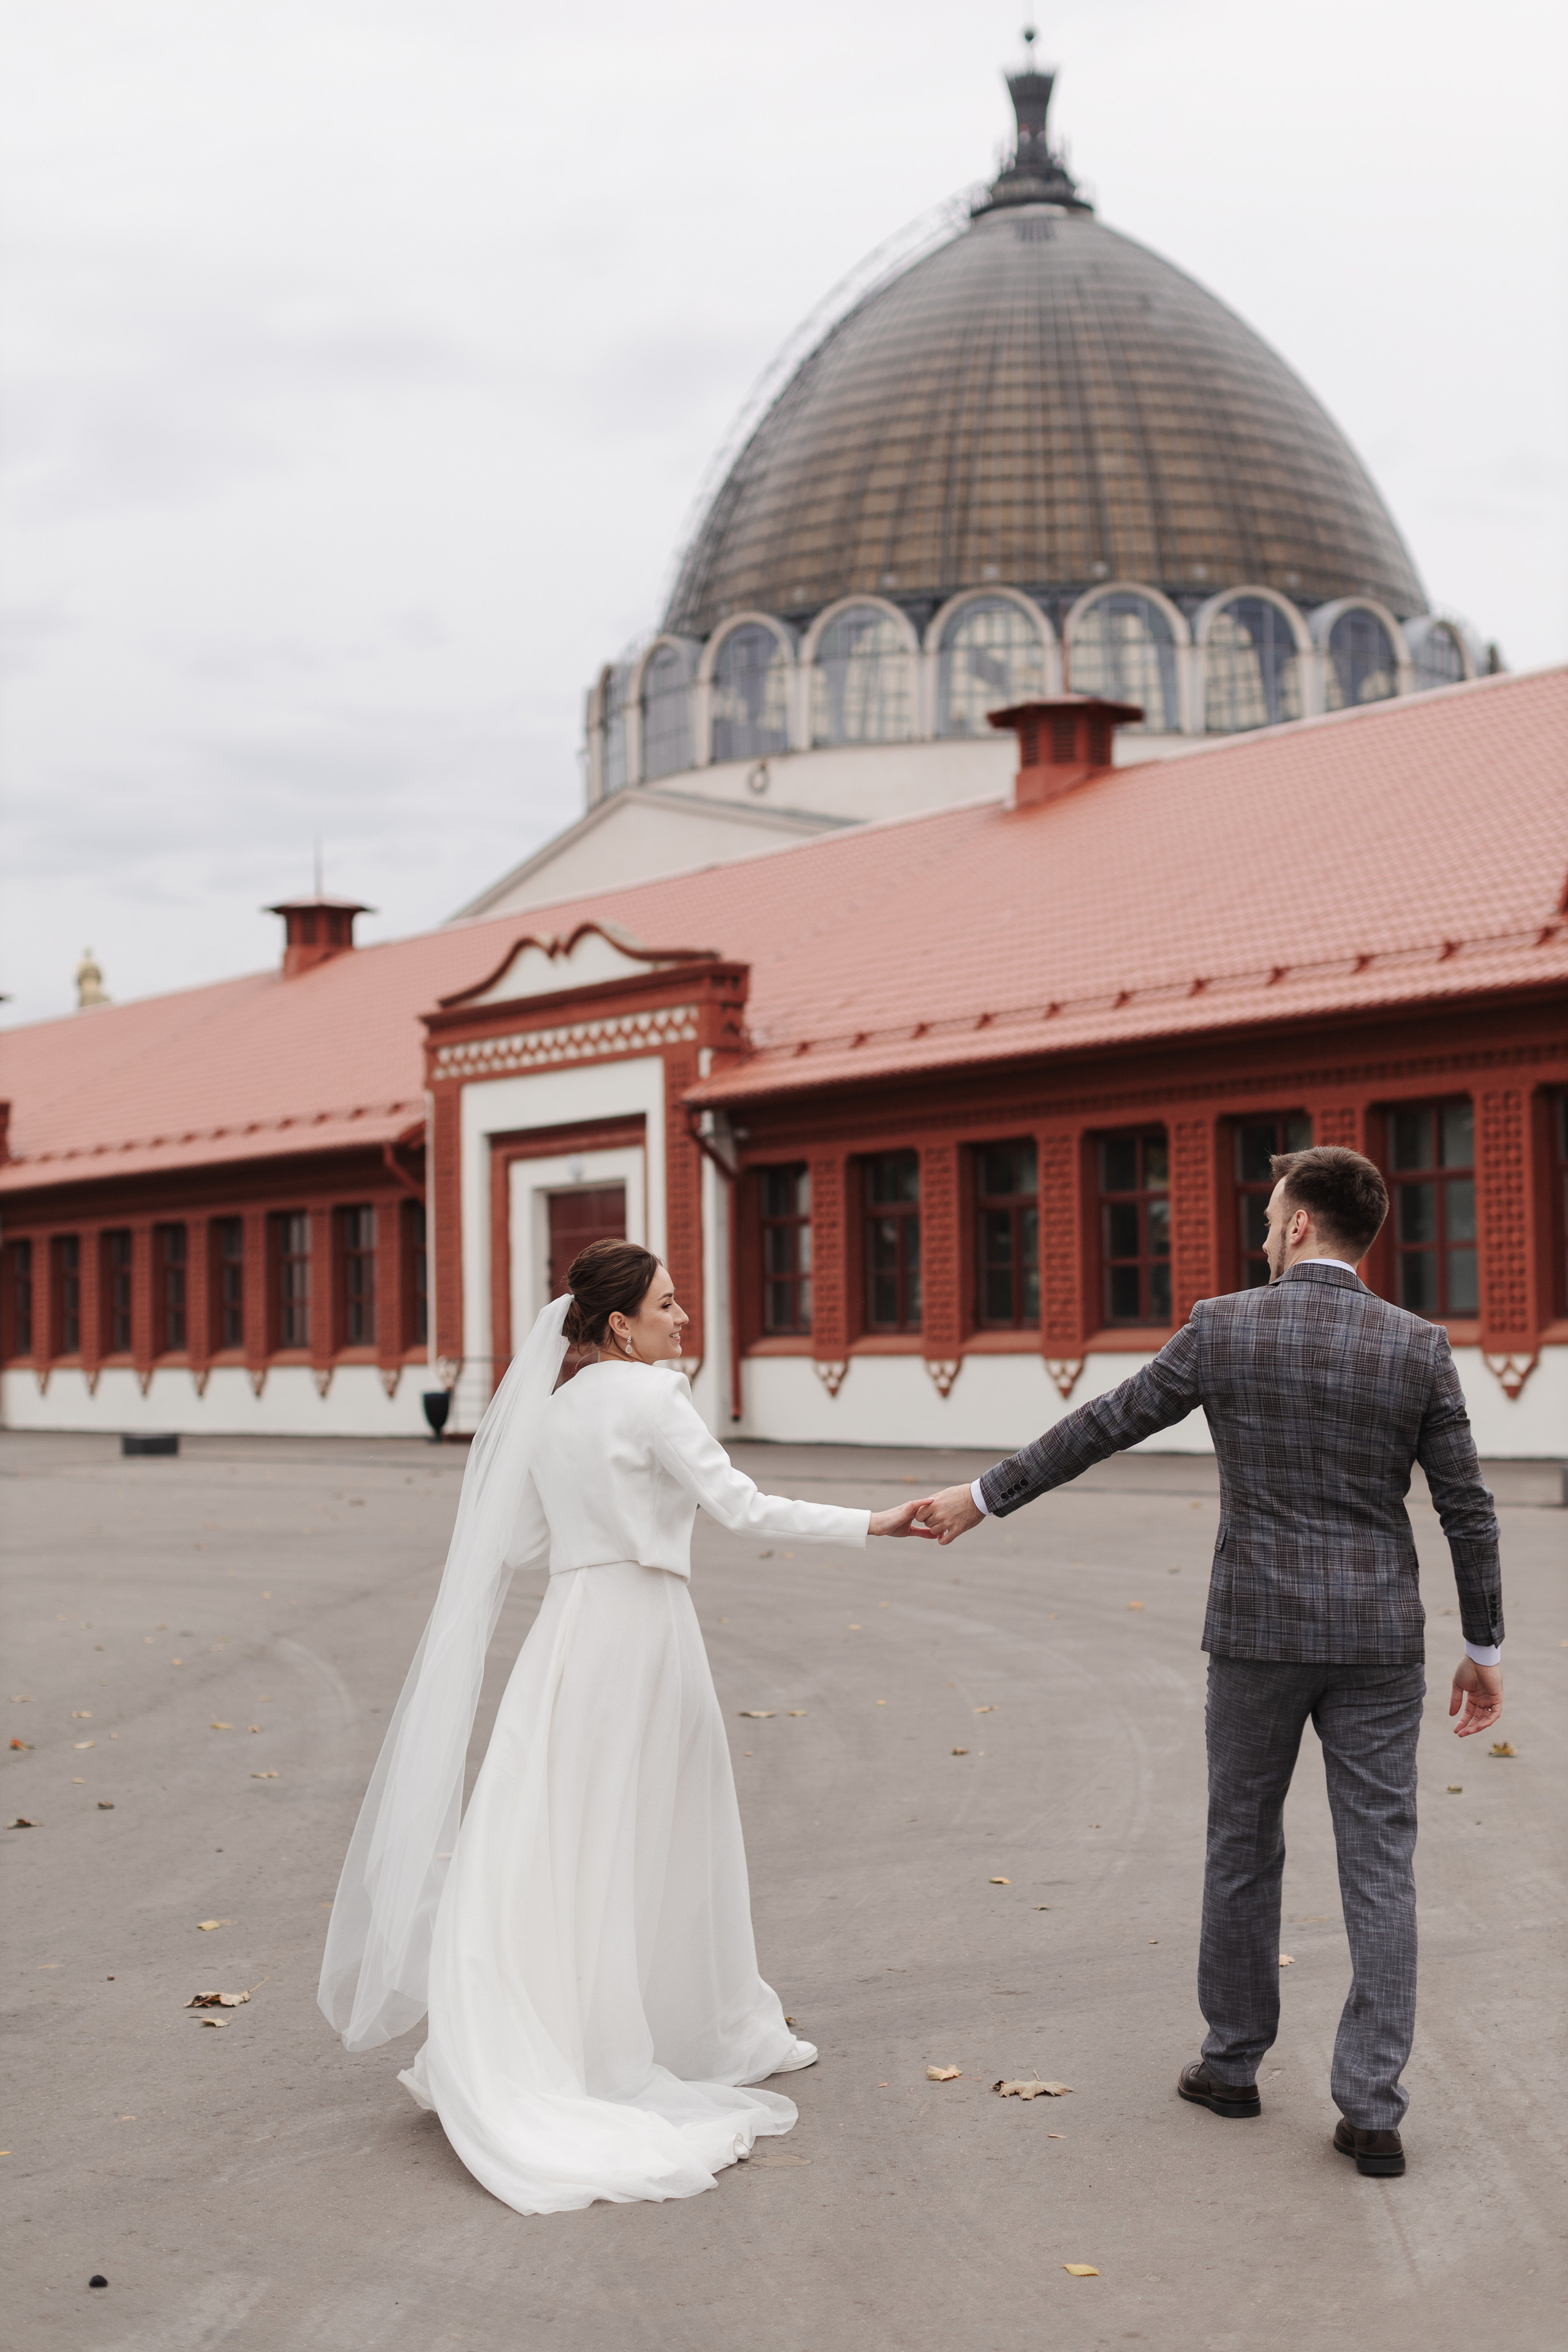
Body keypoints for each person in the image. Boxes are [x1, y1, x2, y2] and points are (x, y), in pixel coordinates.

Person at [914, 1145, 1502, 2179]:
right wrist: (1482, 1646)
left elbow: (1105, 1425)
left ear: (1301, 1228)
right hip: (1376, 1642)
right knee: (1382, 1863)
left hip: (1257, 1635)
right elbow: (1467, 1505)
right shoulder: (1418, 1346)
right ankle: (1371, 2109)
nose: (1259, 1233)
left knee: (1242, 1844)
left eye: (1270, 1216)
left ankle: (1232, 2066)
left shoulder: (1226, 1327)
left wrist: (983, 1496)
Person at [319, 1239, 929, 2216]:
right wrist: (872, 1521)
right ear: (619, 1326)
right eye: (669, 1304)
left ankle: (553, 2027)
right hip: (646, 1635)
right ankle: (689, 2027)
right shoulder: (652, 1398)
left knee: (561, 1834)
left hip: (568, 1639)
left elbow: (519, 1542)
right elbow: (741, 1505)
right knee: (668, 1831)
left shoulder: (552, 1411)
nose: (682, 1319)